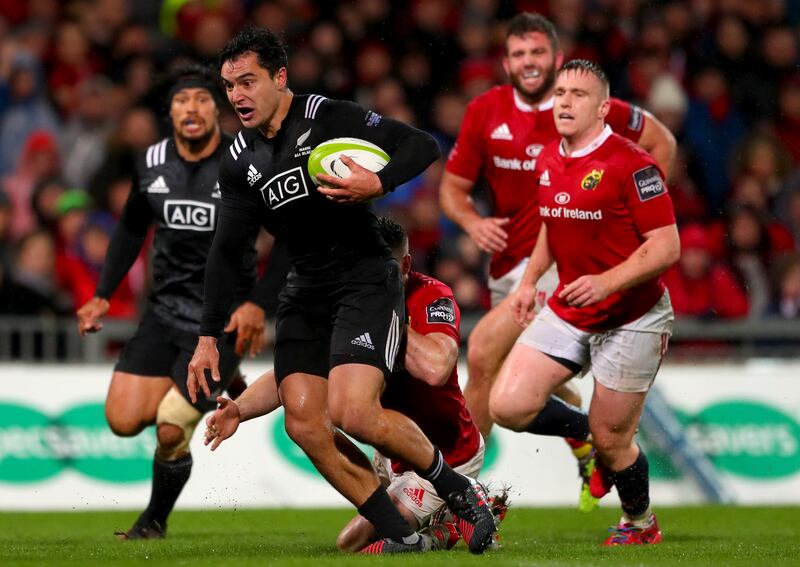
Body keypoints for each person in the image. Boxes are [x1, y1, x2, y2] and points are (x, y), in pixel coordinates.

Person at [186, 27, 496, 555]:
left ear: (280, 78)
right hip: (305, 287)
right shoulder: (238, 159)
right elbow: (227, 248)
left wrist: (379, 183)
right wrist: (207, 335)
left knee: (354, 412)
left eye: (247, 82)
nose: (236, 95)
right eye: (228, 85)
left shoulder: (328, 117)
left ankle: (459, 490)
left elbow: (419, 145)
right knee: (304, 421)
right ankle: (404, 538)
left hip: (364, 276)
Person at [439, 13, 676, 508]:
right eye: (519, 54)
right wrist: (473, 225)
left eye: (538, 53)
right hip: (518, 268)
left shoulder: (601, 126)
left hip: (581, 277)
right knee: (514, 390)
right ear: (505, 63)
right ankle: (586, 439)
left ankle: (459, 494)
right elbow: (457, 190)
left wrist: (634, 223)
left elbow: (663, 147)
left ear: (556, 58)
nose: (530, 64)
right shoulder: (495, 116)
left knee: (481, 353)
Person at [202, 217, 505, 552]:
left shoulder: (431, 295)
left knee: (354, 542)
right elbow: (291, 375)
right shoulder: (349, 304)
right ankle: (444, 524)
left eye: (379, 267)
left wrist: (385, 317)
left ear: (403, 264)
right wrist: (239, 410)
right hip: (392, 453)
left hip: (449, 452)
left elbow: (436, 368)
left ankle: (455, 506)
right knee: (316, 425)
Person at [489, 60, 680, 545]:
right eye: (560, 93)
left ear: (602, 108)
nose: (566, 102)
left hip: (632, 314)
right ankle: (592, 435)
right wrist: (529, 282)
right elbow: (553, 225)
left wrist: (607, 282)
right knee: (507, 405)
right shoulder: (550, 157)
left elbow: (666, 247)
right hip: (573, 307)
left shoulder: (632, 163)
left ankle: (640, 523)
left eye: (578, 94)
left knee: (617, 441)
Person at [76, 63, 269, 540]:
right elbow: (129, 228)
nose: (193, 109)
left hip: (221, 323)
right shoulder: (150, 161)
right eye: (183, 101)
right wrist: (102, 295)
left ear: (217, 111)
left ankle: (153, 522)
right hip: (163, 314)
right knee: (121, 421)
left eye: (203, 100)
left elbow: (288, 236)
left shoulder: (245, 161)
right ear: (171, 112)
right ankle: (226, 381)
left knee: (168, 428)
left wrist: (258, 301)